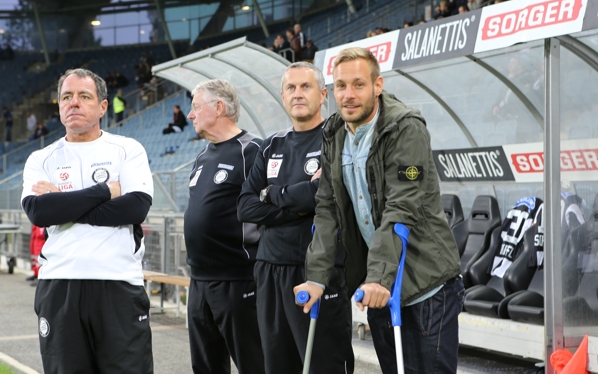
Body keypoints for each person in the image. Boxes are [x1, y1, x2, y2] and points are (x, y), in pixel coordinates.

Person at [294, 47, 462, 374]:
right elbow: (327, 209)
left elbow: (402, 206)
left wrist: (379, 279)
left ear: (378, 85)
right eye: (341, 86)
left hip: (425, 286)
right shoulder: (333, 133)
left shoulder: (405, 127)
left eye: (358, 84)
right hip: (378, 286)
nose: (348, 95)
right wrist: (316, 277)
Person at [21, 68, 154, 373]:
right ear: (58, 105)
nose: (74, 103)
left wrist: (63, 203)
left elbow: (135, 208)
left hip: (118, 285)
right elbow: (39, 212)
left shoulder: (127, 150)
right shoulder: (40, 159)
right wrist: (105, 191)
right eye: (66, 97)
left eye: (84, 96)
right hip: (59, 286)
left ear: (103, 106)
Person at [237, 62, 354, 374]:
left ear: (322, 94)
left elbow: (328, 197)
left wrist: (272, 193)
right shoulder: (271, 145)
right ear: (282, 95)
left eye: (306, 87)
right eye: (291, 88)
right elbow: (246, 207)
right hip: (269, 269)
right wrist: (301, 200)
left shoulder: (337, 138)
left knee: (322, 363)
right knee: (277, 362)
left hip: (316, 269)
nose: (298, 94)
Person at [183, 79, 265, 374]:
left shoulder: (253, 150)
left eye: (195, 107)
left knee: (254, 364)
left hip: (238, 281)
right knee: (205, 367)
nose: (190, 115)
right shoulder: (203, 156)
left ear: (218, 107)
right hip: (199, 282)